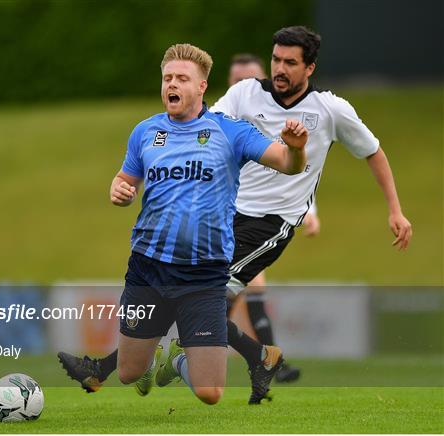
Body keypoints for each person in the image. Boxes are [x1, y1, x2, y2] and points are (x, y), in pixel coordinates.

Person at [59, 43, 308, 405]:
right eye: (167, 78)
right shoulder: (145, 132)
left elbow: (288, 163)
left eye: (180, 78)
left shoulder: (230, 132)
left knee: (210, 393)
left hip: (203, 276)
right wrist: (119, 189)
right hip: (148, 269)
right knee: (128, 373)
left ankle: (176, 360)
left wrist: (297, 148)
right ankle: (145, 361)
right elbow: (126, 179)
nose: (171, 85)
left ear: (202, 87)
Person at [211, 25, 412, 387]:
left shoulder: (330, 110)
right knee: (197, 299)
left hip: (273, 222)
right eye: (275, 59)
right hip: (226, 211)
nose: (279, 69)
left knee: (204, 295)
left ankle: (133, 365)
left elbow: (374, 153)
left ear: (310, 68)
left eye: (290, 62)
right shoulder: (244, 93)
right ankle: (261, 359)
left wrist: (395, 210)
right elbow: (209, 128)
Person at [227, 53, 321, 383]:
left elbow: (298, 172)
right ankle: (264, 360)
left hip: (257, 223)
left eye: (247, 80)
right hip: (225, 217)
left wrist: (310, 211)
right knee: (210, 303)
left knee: (220, 297)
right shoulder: (229, 119)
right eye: (236, 81)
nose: (242, 85)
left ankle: (266, 359)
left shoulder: (273, 124)